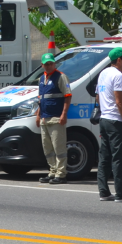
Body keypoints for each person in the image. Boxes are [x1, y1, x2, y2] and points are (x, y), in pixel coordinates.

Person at [96, 48, 122, 202]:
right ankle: (121, 194)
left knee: (105, 156)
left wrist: (105, 108)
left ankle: (104, 192)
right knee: (119, 157)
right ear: (119, 60)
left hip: (104, 119)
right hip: (115, 120)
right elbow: (119, 102)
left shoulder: (103, 73)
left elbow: (97, 97)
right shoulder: (118, 75)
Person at [35, 53, 71, 185]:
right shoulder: (41, 79)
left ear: (54, 64)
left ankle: (61, 174)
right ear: (42, 65)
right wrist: (38, 115)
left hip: (56, 117)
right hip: (45, 118)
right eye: (46, 64)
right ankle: (52, 171)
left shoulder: (61, 77)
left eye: (51, 63)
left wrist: (64, 114)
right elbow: (41, 99)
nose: (49, 66)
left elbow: (67, 96)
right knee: (47, 148)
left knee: (59, 147)